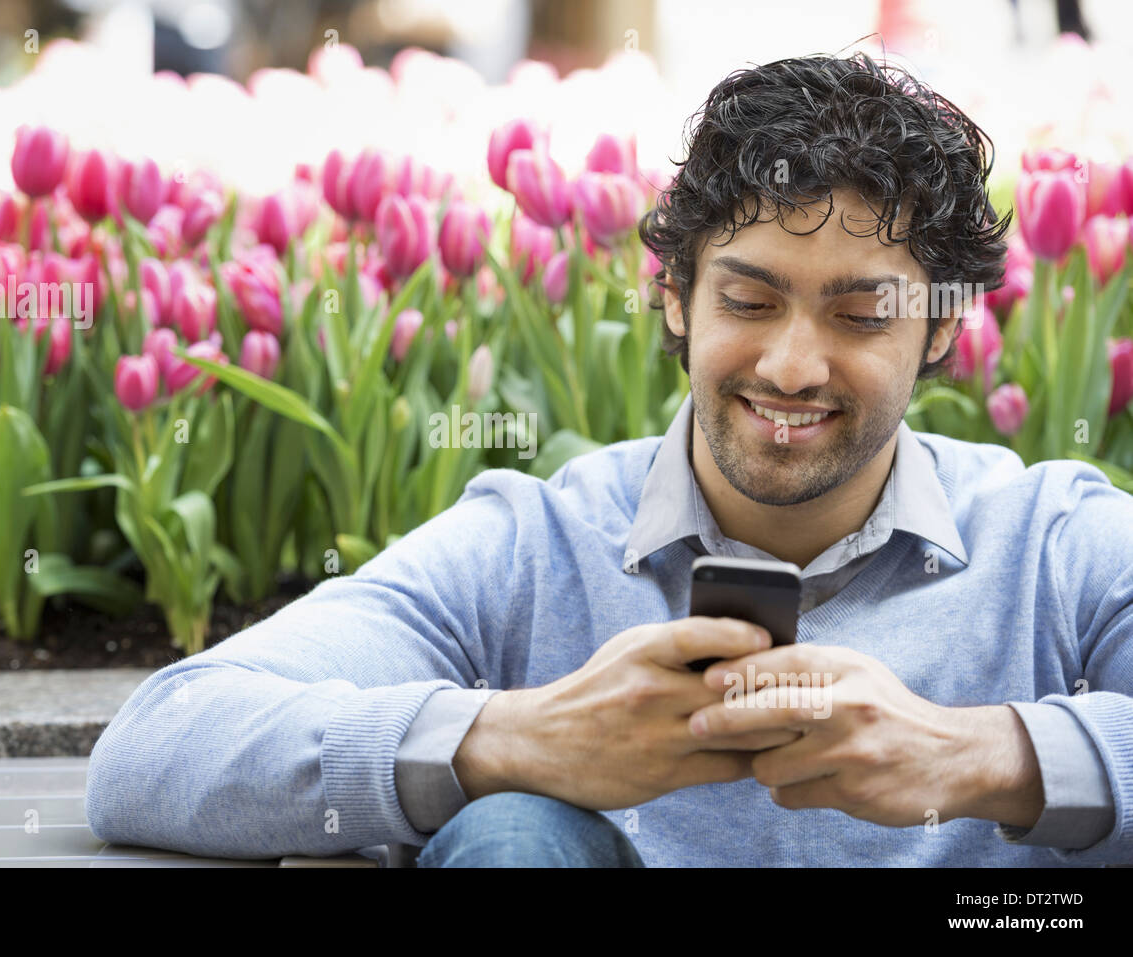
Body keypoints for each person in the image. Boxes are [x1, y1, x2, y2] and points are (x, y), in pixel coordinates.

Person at [84, 51, 1133, 867]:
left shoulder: (1053, 541)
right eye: (747, 301)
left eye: (861, 315)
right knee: (514, 834)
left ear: (940, 332)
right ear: (674, 295)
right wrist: (510, 739)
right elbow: (156, 747)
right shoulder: (533, 543)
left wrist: (987, 757)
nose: (792, 364)